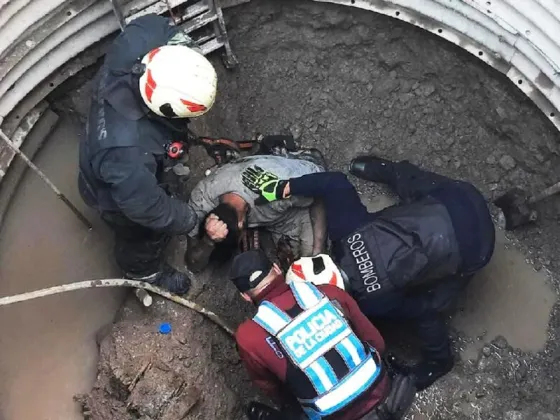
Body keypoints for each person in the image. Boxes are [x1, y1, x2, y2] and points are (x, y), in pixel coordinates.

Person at [240, 155, 495, 391]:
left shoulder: (373, 302)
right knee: (413, 184)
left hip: (478, 248)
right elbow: (334, 182)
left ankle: (439, 362)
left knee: (433, 303)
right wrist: (283, 187)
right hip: (460, 197)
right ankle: (385, 169)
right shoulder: (346, 231)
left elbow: (420, 309)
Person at [78, 14, 230, 293]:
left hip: (119, 158)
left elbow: (156, 24)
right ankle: (143, 272)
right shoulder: (127, 153)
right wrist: (188, 218)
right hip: (115, 195)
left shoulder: (138, 43)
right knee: (141, 235)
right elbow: (145, 208)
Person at [231, 249, 416, 420]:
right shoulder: (328, 292)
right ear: (277, 269)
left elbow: (273, 389)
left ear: (245, 296)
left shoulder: (249, 337)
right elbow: (377, 343)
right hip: (384, 397)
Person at [184, 150, 327, 272]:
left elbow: (320, 192)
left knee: (310, 263)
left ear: (241, 225)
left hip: (302, 179)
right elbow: (193, 264)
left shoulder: (281, 191)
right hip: (263, 201)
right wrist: (208, 241)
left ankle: (296, 155)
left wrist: (317, 252)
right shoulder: (202, 197)